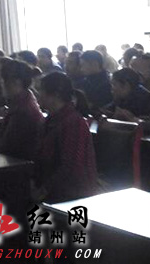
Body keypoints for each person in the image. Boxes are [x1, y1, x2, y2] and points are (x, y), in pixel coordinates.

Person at [36, 72, 98, 203]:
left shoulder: (73, 123)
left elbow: (71, 167)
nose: (38, 95)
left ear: (56, 95)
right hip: (50, 186)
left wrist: (44, 190)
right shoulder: (51, 119)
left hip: (70, 194)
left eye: (41, 90)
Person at [0, 60, 44, 161]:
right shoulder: (24, 100)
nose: (1, 85)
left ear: (16, 82)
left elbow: (6, 148)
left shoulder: (22, 111)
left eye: (2, 81)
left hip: (19, 164)